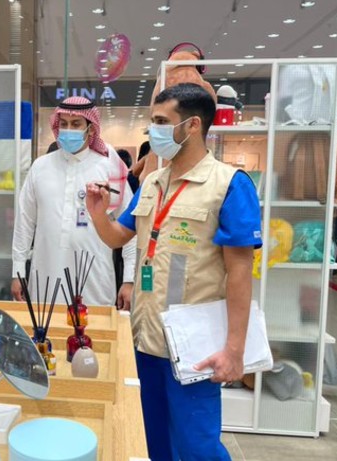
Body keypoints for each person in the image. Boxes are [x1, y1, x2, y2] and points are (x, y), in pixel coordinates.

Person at [85, 83, 262, 460]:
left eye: (162, 122)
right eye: (153, 121)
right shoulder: (152, 183)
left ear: (193, 125)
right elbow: (118, 236)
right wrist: (98, 213)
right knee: (152, 440)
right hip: (146, 338)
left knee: (197, 446)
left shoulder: (229, 185)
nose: (153, 130)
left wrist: (234, 350)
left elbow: (240, 273)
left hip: (194, 346)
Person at [12, 96, 136, 309]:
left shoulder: (111, 167)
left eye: (76, 124)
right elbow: (24, 222)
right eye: (63, 124)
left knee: (93, 329)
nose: (68, 130)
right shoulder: (40, 167)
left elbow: (131, 227)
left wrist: (129, 279)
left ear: (91, 129)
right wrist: (18, 272)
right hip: (45, 279)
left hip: (95, 282)